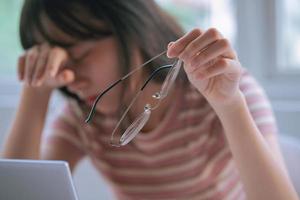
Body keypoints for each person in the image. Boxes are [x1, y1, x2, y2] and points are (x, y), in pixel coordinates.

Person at [1, 0, 298, 199]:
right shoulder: (81, 117)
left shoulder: (228, 92)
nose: (70, 78)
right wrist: (35, 93)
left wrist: (230, 106)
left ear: (131, 31)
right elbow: (19, 195)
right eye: (59, 65)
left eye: (79, 56)